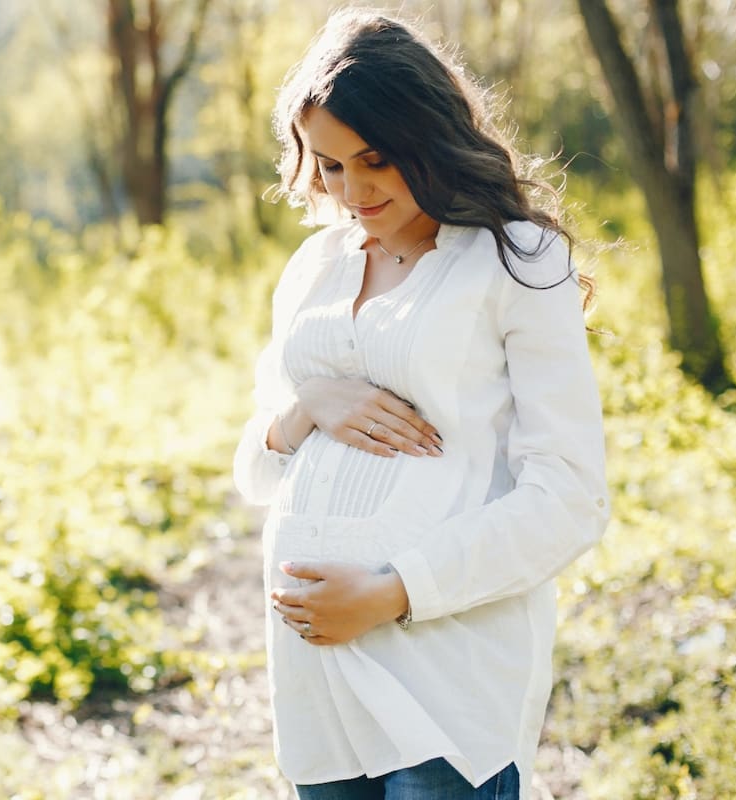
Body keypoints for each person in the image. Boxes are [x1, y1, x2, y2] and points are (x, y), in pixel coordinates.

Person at [231, 8, 610, 800]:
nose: (352, 190)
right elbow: (255, 470)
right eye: (330, 165)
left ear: (426, 135)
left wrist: (392, 592)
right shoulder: (314, 268)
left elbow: (570, 497)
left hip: (445, 669)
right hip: (317, 677)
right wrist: (308, 406)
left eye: (375, 160)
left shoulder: (515, 260)